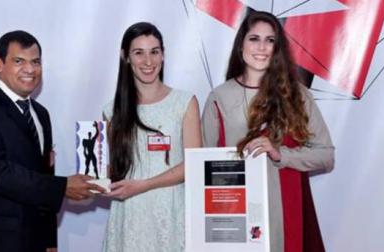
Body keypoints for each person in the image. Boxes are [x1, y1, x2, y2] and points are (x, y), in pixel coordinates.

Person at [0, 30, 105, 252]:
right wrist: (63, 187)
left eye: (36, 62)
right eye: (18, 61)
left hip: (34, 242)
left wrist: (50, 241)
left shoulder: (41, 114)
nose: (30, 69)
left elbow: (44, 175)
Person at [201, 11, 335, 252]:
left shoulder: (298, 95)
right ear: (241, 43)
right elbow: (204, 166)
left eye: (270, 40)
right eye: (254, 38)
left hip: (285, 213)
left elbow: (326, 155)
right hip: (235, 215)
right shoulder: (218, 97)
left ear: (277, 48)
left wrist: (281, 154)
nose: (262, 47)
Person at [102, 22, 202, 251]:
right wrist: (95, 180)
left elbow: (193, 165)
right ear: (125, 57)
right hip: (129, 216)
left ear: (163, 55)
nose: (148, 62)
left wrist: (145, 185)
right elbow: (110, 170)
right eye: (139, 53)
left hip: (171, 213)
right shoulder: (112, 111)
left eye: (154, 52)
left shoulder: (184, 103)